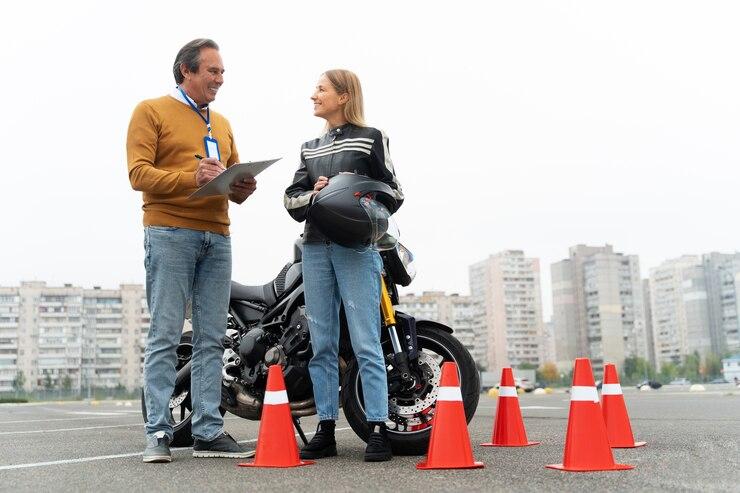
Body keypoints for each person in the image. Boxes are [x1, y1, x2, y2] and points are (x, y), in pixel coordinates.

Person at [126, 38, 257, 463]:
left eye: (222, 73)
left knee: (213, 339)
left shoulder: (221, 122)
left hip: (217, 236)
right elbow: (138, 174)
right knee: (165, 336)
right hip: (169, 232)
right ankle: (158, 433)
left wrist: (243, 187)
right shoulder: (151, 111)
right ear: (186, 71)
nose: (220, 79)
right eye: (212, 71)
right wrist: (191, 176)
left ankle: (207, 430)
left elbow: (228, 182)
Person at [284, 69, 404, 462]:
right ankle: (325, 428)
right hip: (315, 249)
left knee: (367, 341)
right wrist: (315, 195)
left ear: (342, 95)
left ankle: (378, 429)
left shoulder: (372, 139)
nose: (313, 95)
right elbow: (290, 200)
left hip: (356, 250)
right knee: (322, 344)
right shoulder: (309, 147)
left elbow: (394, 193)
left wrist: (354, 198)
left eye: (320, 89)